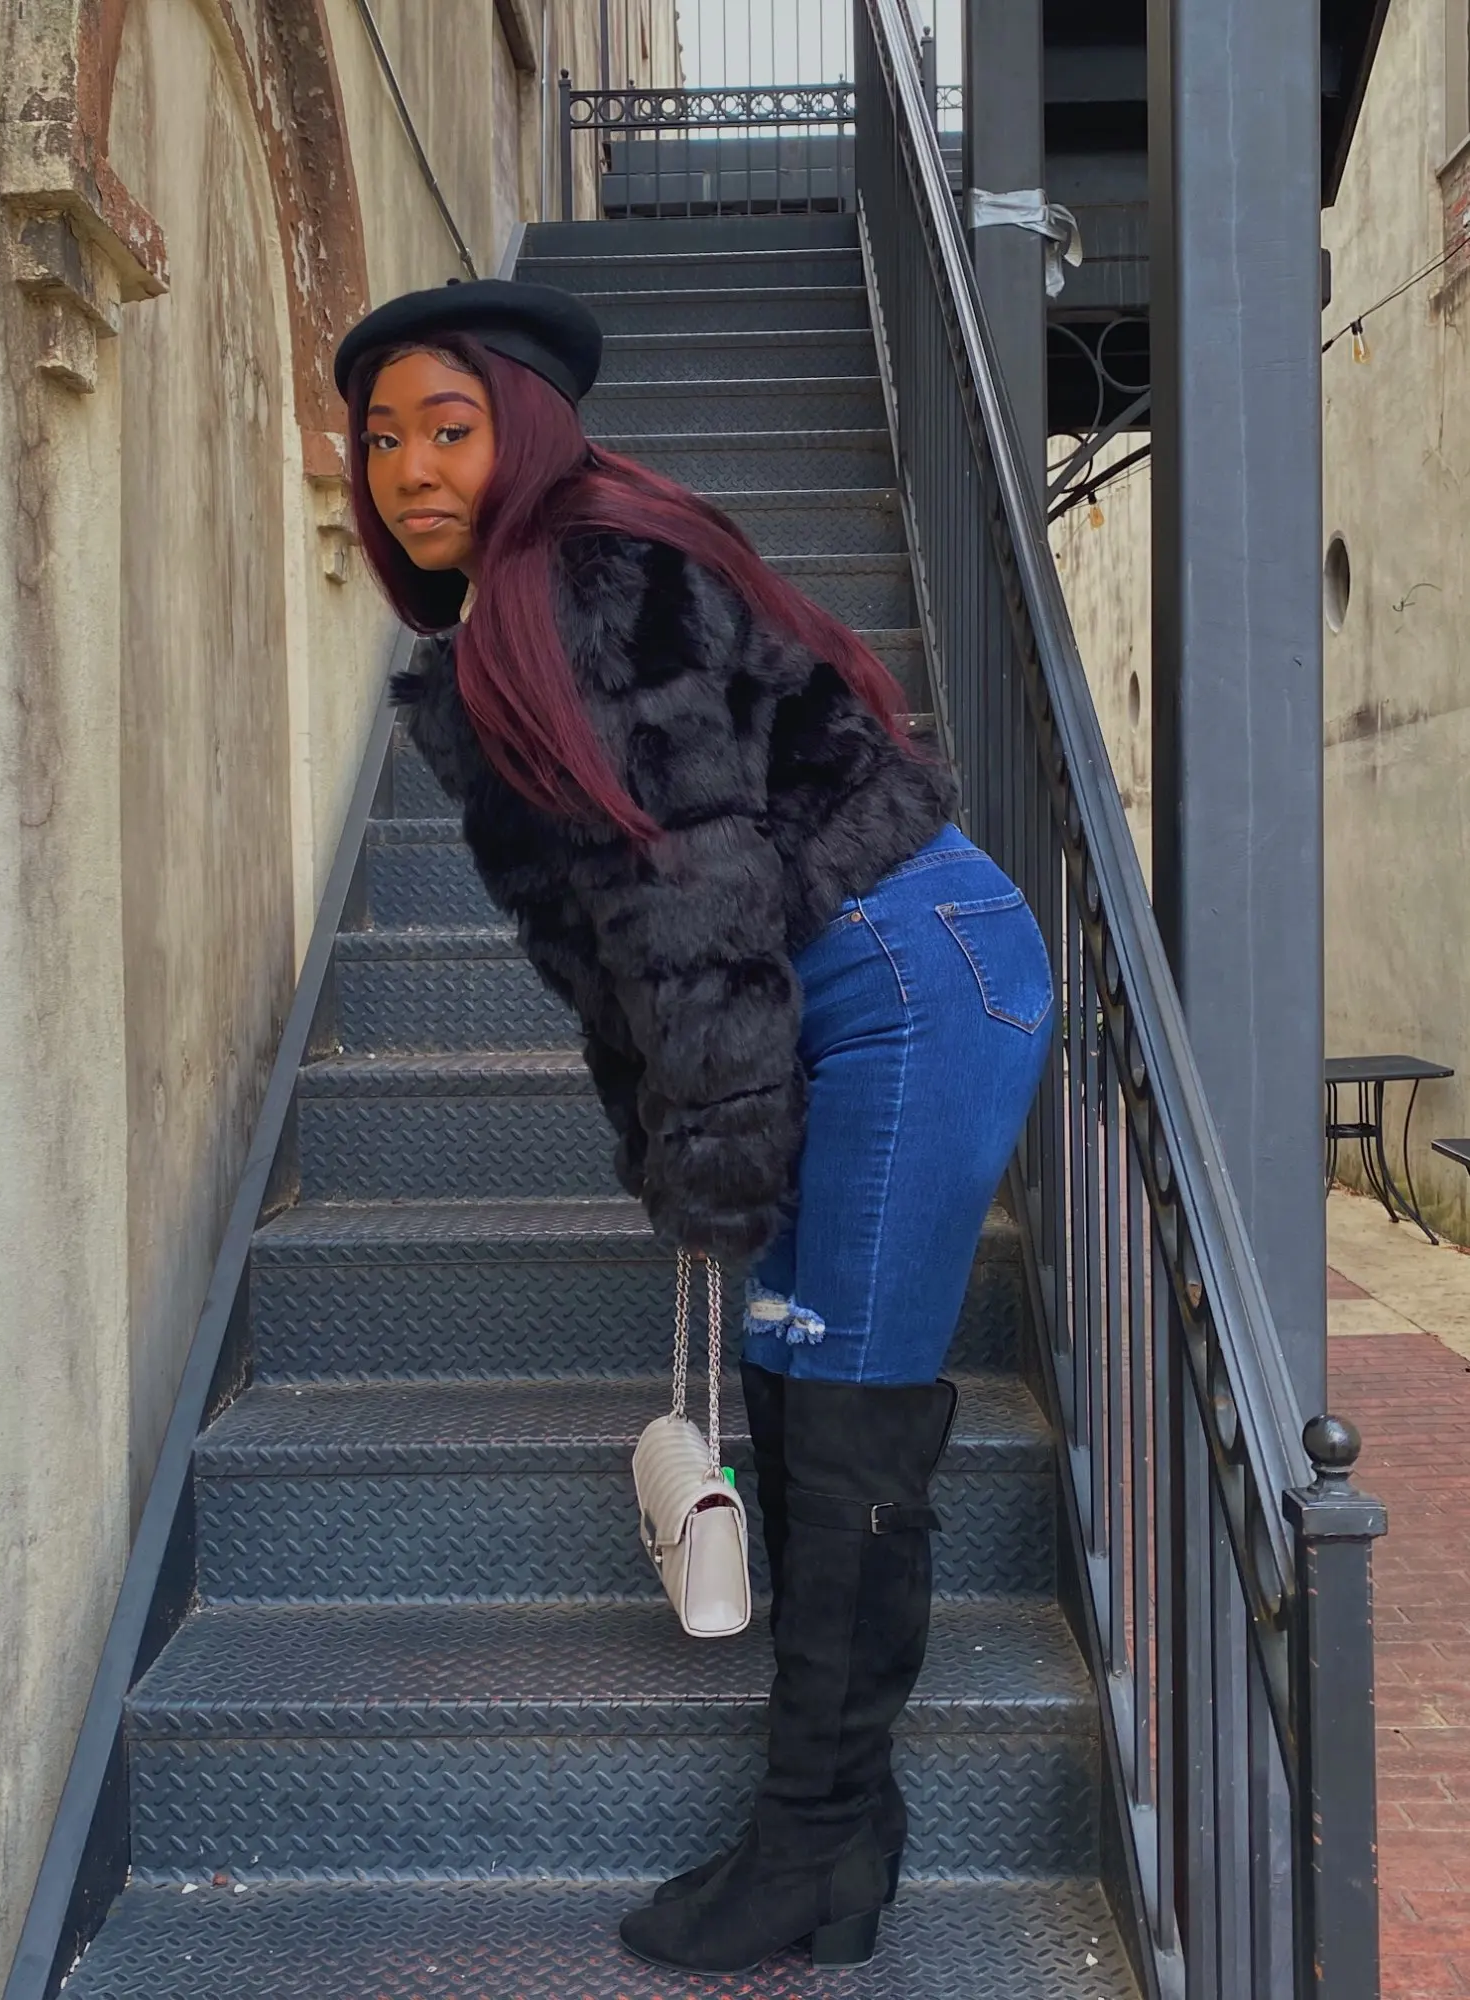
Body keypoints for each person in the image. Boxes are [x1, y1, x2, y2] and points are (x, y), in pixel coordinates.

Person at [332, 279, 1054, 1975]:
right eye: (381, 439)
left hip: (904, 971)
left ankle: (812, 1839)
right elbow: (616, 935)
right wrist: (681, 1127)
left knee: (848, 1406)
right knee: (803, 1385)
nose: (410, 468)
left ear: (524, 429)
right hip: (852, 971)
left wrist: (713, 1153)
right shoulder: (520, 608)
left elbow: (690, 888)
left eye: (449, 428)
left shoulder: (574, 580)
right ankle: (843, 1838)